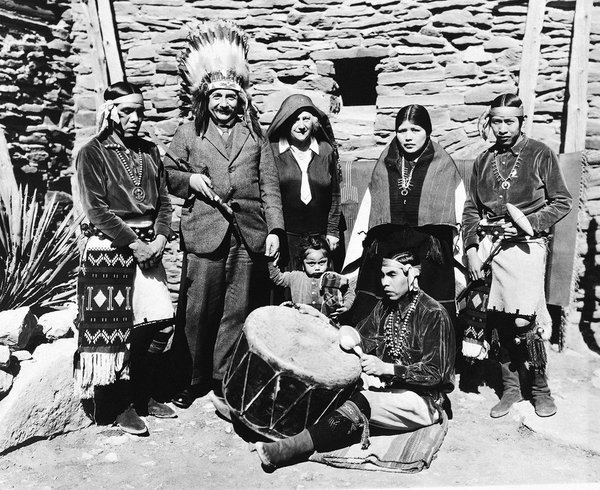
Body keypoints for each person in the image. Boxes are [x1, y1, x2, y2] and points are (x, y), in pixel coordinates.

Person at [255, 226, 455, 471]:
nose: (384, 283)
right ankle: (276, 420)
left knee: (362, 401)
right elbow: (360, 337)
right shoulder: (385, 307)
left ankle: (290, 449)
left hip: (423, 401)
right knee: (337, 383)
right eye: (382, 276)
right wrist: (323, 323)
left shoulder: (434, 314)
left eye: (392, 275)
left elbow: (439, 374)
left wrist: (388, 368)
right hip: (388, 388)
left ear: (411, 274)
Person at [164, 21, 284, 412]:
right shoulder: (188, 132)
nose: (224, 104)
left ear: (241, 99)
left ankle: (223, 377)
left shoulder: (255, 136)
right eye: (217, 96)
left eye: (231, 97)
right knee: (199, 307)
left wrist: (276, 230)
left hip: (247, 232)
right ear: (205, 98)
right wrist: (190, 180)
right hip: (205, 229)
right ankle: (190, 377)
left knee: (237, 307)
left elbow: (269, 187)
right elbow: (167, 173)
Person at [75, 81, 176, 435]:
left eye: (140, 112)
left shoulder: (149, 151)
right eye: (127, 111)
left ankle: (142, 393)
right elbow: (97, 210)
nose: (135, 119)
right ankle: (118, 404)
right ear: (111, 112)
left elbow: (163, 199)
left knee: (161, 322)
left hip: (150, 247)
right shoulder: (92, 152)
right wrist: (135, 244)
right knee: (113, 332)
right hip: (109, 249)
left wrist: (162, 237)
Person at [462, 93, 572, 418]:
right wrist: (470, 249)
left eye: (510, 121)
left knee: (526, 320)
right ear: (490, 122)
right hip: (489, 249)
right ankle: (510, 388)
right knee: (497, 321)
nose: (503, 127)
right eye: (497, 121)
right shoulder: (483, 161)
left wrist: (531, 225)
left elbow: (562, 201)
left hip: (526, 249)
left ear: (522, 121)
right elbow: (471, 209)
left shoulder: (540, 154)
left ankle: (539, 388)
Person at [343, 104, 463, 325]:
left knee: (428, 313)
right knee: (376, 311)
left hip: (430, 250)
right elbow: (370, 209)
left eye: (415, 130)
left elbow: (457, 212)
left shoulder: (443, 163)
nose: (408, 137)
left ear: (428, 131)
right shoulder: (385, 161)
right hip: (389, 245)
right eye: (402, 130)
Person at [266, 94, 343, 272]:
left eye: (306, 119)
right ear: (284, 121)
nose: (301, 126)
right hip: (287, 237)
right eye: (294, 119)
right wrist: (274, 233)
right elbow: (267, 195)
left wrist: (332, 231)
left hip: (320, 238)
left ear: (313, 122)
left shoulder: (325, 150)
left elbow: (335, 194)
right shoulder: (272, 151)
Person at [268, 235, 355, 318]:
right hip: (302, 322)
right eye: (311, 263)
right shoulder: (294, 277)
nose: (317, 268)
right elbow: (277, 278)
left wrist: (346, 306)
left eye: (322, 262)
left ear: (328, 262)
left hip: (326, 322)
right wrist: (272, 261)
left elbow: (349, 290)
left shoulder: (333, 277)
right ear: (303, 264)